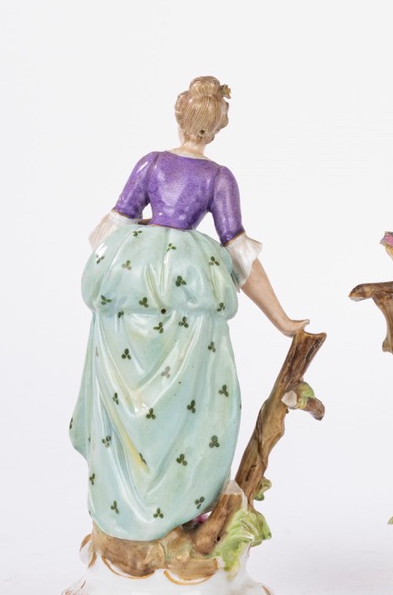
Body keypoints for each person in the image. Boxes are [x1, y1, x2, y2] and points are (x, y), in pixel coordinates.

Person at [70, 76, 307, 541]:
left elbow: (109, 230)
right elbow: (239, 251)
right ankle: (172, 500)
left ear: (179, 116)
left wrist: (130, 246)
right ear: (218, 128)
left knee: (128, 393)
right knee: (187, 396)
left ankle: (133, 500)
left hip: (133, 279)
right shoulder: (219, 177)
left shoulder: (152, 163)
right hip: (190, 285)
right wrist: (280, 318)